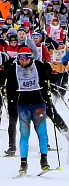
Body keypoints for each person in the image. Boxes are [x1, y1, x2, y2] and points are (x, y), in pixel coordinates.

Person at [2, 46, 55, 175]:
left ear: (30, 58)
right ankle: (23, 163)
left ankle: (44, 160)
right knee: (25, 134)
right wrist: (12, 104)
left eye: (26, 58)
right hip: (23, 106)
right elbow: (10, 89)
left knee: (42, 132)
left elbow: (47, 80)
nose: (23, 61)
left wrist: (48, 99)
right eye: (20, 58)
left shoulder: (38, 66)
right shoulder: (13, 69)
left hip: (38, 104)